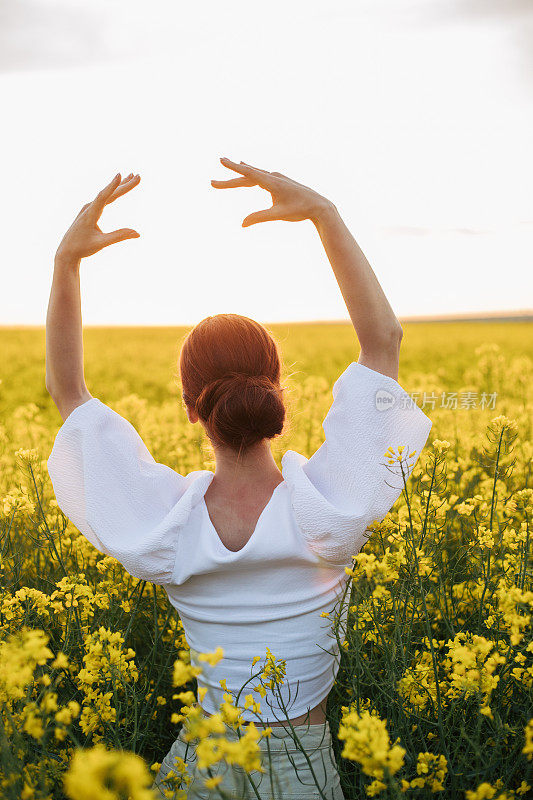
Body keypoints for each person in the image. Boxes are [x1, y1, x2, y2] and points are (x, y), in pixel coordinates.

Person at [45, 158, 433, 799]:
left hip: (199, 763)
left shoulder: (164, 529)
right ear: (278, 390)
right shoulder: (328, 513)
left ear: (191, 407)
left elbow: (69, 394)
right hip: (300, 772)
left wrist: (67, 262)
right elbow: (382, 342)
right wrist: (323, 214)